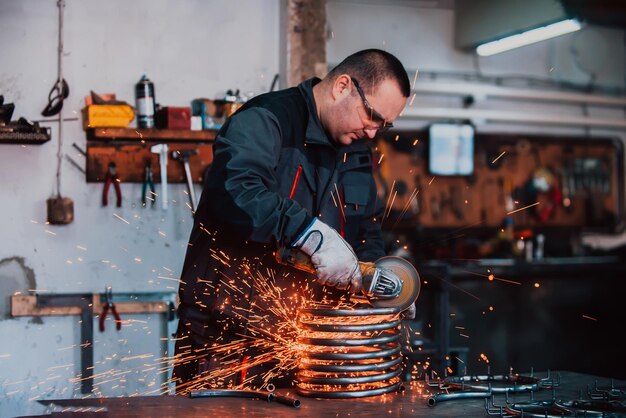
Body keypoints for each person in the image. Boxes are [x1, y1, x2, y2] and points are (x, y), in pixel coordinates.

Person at [173, 49, 412, 393]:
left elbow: (365, 227)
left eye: (384, 125)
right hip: (226, 338)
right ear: (342, 86)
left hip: (306, 342)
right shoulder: (266, 119)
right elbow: (236, 192)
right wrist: (309, 234)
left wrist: (379, 278)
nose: (374, 132)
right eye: (372, 116)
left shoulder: (356, 147)